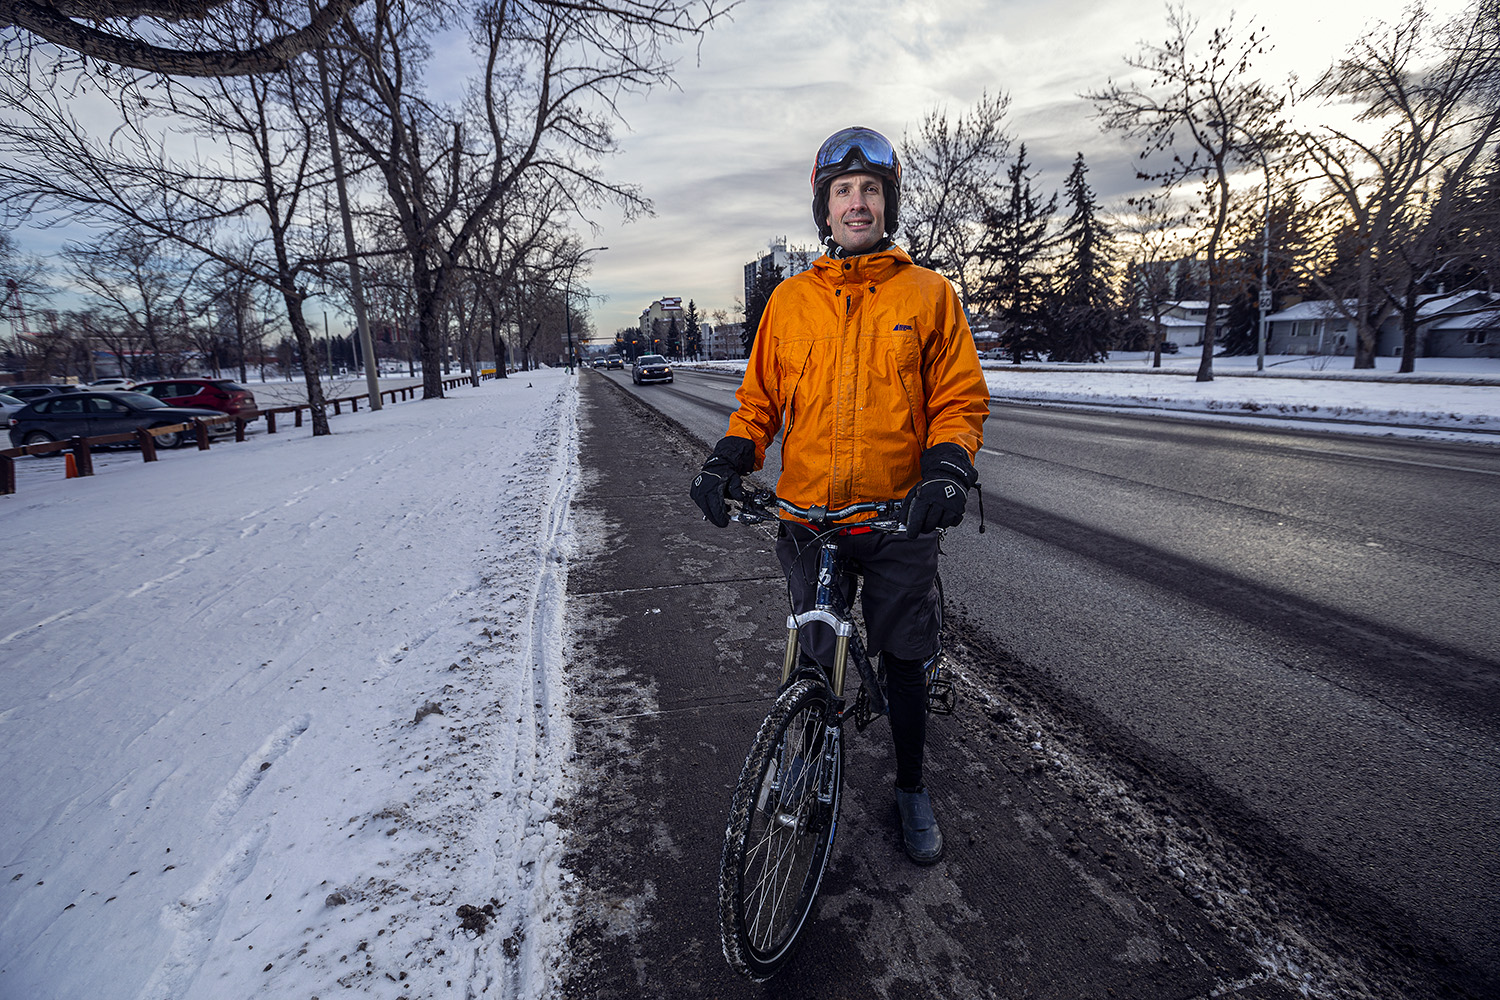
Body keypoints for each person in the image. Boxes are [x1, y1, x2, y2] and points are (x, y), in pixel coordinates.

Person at [690, 125, 990, 865]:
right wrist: (729, 459)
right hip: (806, 517)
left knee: (903, 657)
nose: (857, 204)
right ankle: (801, 749)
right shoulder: (790, 303)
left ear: (888, 205)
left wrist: (947, 470)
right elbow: (759, 400)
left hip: (896, 519)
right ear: (824, 209)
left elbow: (958, 398)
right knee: (812, 647)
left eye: (871, 191)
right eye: (843, 192)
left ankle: (912, 785)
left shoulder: (928, 295)